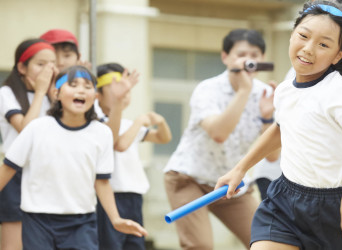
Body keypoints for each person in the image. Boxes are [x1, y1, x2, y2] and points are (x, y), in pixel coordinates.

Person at [215, 1, 342, 249]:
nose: (309, 49)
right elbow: (281, 128)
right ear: (292, 34)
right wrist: (240, 169)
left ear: (338, 54)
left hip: (332, 206)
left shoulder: (340, 96)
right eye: (303, 36)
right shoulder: (286, 88)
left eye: (323, 44)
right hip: (284, 199)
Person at [0, 65, 147, 250]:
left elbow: (101, 182)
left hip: (81, 222)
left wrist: (115, 219)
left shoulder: (102, 133)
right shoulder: (36, 128)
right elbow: (8, 168)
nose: (81, 90)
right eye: (73, 84)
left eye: (87, 86)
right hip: (37, 220)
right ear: (56, 93)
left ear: (94, 96)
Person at [162, 28, 278, 249]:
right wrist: (244, 91)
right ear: (225, 57)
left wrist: (267, 117)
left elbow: (272, 156)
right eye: (241, 54)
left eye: (254, 56)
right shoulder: (207, 89)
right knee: (200, 245)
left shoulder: (266, 95)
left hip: (230, 185)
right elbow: (218, 134)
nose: (248, 61)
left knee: (268, 241)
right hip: (189, 178)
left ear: (262, 60)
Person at [94, 63, 172, 250]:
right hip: (110, 195)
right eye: (116, 88)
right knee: (110, 245)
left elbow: (163, 138)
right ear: (98, 94)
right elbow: (118, 144)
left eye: (127, 90)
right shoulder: (94, 121)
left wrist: (160, 122)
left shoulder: (127, 123)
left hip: (134, 197)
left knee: (134, 244)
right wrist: (139, 122)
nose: (123, 93)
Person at [0, 39, 57, 250]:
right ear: (22, 67)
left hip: (47, 175)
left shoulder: (54, 96)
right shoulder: (7, 93)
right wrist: (41, 93)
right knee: (13, 245)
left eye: (52, 64)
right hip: (15, 174)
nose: (48, 70)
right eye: (40, 64)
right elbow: (25, 130)